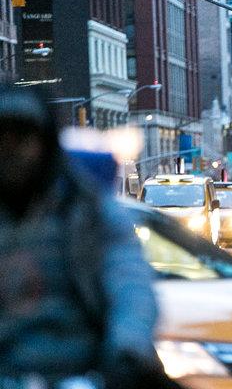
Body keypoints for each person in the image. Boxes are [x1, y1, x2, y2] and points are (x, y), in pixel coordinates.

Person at [0, 86, 173, 388]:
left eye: (23, 139)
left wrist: (127, 352)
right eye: (2, 140)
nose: (11, 151)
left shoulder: (88, 212)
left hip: (86, 371)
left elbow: (129, 284)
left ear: (44, 144)